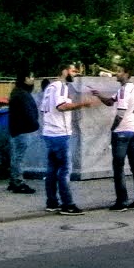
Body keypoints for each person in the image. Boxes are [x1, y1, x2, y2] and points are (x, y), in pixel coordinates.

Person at [94, 64, 134, 211]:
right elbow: (110, 101)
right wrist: (98, 95)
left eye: (119, 72)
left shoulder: (123, 90)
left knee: (118, 167)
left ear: (127, 73)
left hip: (122, 132)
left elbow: (121, 112)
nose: (116, 74)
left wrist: (113, 128)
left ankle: (122, 201)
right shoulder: (132, 88)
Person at [39, 64, 88, 214]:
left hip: (49, 133)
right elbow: (61, 106)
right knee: (65, 170)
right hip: (60, 133)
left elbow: (44, 109)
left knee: (52, 170)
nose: (75, 73)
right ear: (64, 71)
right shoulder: (61, 86)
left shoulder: (49, 88)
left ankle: (52, 202)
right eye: (73, 70)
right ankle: (68, 204)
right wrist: (82, 104)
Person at [5, 71, 39, 194]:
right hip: (22, 130)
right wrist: (35, 124)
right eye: (31, 77)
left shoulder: (16, 92)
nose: (33, 79)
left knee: (15, 157)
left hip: (16, 129)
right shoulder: (22, 94)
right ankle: (18, 182)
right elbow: (28, 112)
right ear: (25, 79)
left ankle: (13, 181)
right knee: (19, 157)